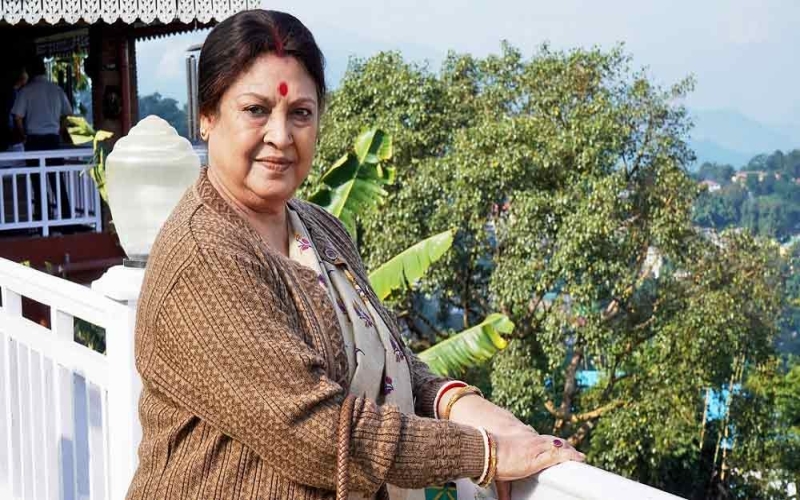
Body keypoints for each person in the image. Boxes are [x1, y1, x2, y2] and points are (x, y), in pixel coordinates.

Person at [128, 9, 584, 500]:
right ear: (207, 116)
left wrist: (458, 403)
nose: (281, 136)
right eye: (256, 110)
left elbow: (387, 368)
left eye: (300, 113)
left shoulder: (320, 230)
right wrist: (485, 454)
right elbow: (316, 433)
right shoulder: (204, 255)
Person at [11, 57, 73, 220]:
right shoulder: (56, 90)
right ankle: (67, 220)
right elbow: (68, 114)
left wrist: (23, 134)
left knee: (37, 181)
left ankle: (44, 218)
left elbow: (17, 116)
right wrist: (59, 129)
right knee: (57, 180)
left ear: (30, 72)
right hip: (52, 140)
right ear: (44, 70)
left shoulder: (26, 91)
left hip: (34, 141)